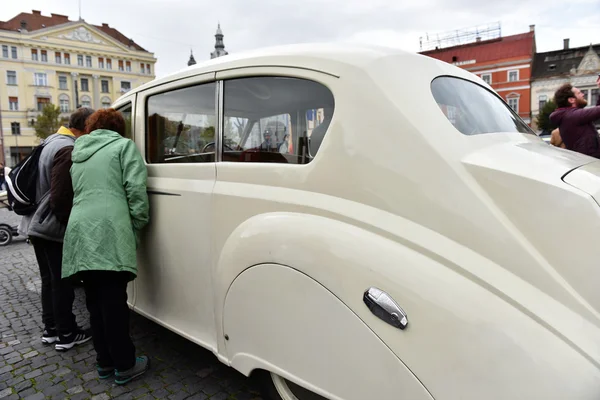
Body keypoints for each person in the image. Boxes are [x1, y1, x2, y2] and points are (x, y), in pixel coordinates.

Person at [61, 108, 150, 384]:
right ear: (118, 127)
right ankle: (125, 365)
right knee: (114, 303)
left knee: (95, 303)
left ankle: (104, 363)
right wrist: (136, 226)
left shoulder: (79, 153)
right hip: (110, 228)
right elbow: (136, 191)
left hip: (80, 230)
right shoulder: (123, 147)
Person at [18, 107, 94, 350]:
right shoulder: (67, 148)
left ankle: (51, 329)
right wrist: (67, 223)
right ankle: (66, 334)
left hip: (35, 224)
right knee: (62, 281)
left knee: (49, 280)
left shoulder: (50, 141)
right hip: (51, 227)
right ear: (85, 127)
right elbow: (61, 196)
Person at [549, 83, 600, 158]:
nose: (583, 94)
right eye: (579, 93)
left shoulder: (568, 116)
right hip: (588, 164)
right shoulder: (571, 116)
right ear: (571, 100)